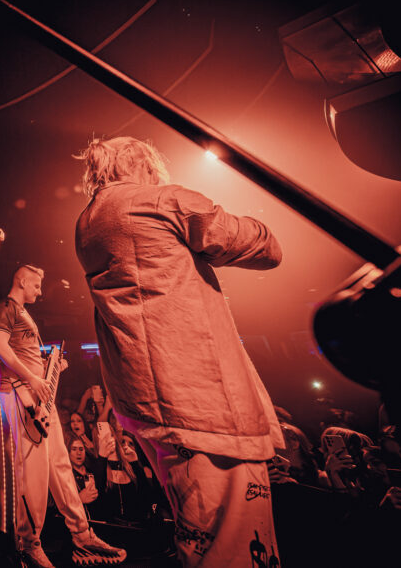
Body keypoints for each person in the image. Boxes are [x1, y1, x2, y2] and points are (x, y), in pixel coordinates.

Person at [73, 136, 284, 567]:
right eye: (153, 167)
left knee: (198, 535)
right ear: (141, 163)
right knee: (236, 545)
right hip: (201, 401)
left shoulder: (88, 221)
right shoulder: (161, 200)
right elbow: (266, 249)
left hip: (146, 403)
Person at [0, 265, 126, 567]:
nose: (40, 291)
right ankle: (29, 545)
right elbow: (0, 347)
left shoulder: (22, 314)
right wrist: (33, 377)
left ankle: (82, 535)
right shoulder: (6, 308)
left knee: (60, 466)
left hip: (38, 397)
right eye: (36, 285)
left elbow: (22, 354)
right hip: (22, 396)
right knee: (34, 474)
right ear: (21, 281)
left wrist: (49, 369)